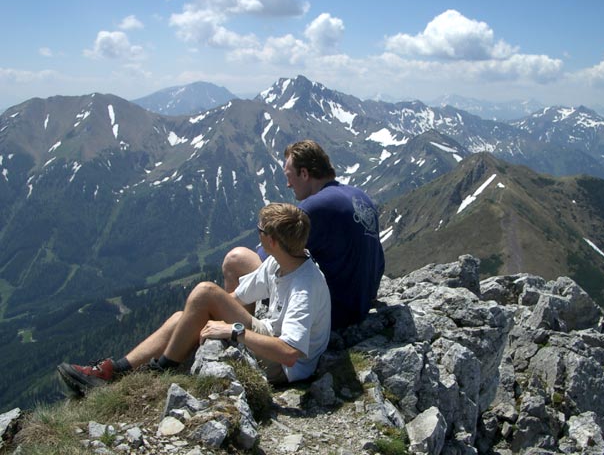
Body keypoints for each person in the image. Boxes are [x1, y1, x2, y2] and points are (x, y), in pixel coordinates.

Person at [57, 203, 331, 394]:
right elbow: (235, 297)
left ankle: (158, 373)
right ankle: (114, 372)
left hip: (284, 368)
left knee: (204, 292)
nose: (257, 235)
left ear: (270, 241)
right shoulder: (280, 263)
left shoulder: (304, 286)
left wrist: (232, 331)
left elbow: (290, 354)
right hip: (270, 335)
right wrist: (196, 318)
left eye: (260, 230)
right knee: (187, 313)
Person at [224, 140, 385, 330]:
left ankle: (237, 333)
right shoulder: (360, 196)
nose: (288, 184)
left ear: (304, 173)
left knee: (235, 260)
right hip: (362, 304)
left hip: (331, 314)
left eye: (289, 176)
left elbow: (271, 256)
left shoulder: (314, 207)